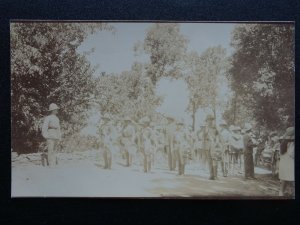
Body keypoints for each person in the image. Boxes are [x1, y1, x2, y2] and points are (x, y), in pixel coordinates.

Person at [202, 114, 220, 180]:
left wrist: (217, 142)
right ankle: (211, 175)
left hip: (213, 145)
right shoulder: (205, 128)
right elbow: (203, 138)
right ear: (206, 121)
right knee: (209, 161)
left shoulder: (215, 128)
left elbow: (218, 136)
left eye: (211, 120)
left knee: (214, 159)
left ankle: (215, 175)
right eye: (208, 120)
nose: (210, 121)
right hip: (207, 145)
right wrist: (203, 147)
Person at [278, 127, 294, 197]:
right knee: (290, 179)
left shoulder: (283, 142)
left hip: (283, 163)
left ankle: (281, 193)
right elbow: (292, 154)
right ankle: (290, 192)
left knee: (284, 180)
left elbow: (280, 153)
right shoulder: (292, 144)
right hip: (289, 163)